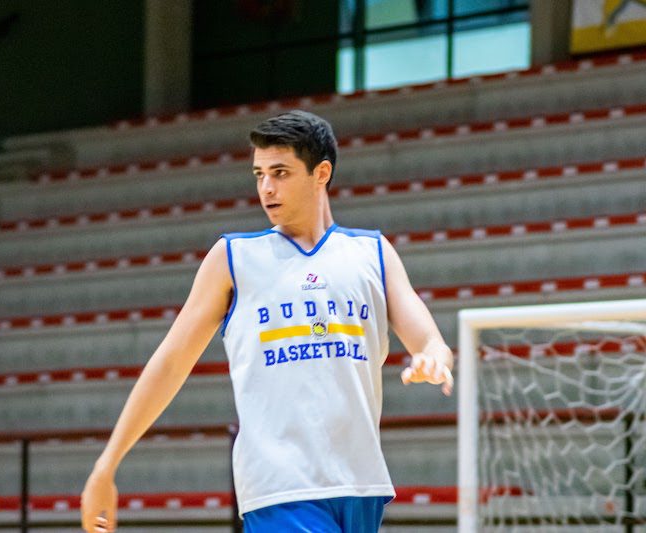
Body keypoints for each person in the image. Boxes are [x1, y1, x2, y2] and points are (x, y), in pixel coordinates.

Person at [81, 110, 453, 533]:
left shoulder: (373, 252)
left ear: (321, 173)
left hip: (361, 485)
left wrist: (433, 359)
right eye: (259, 174)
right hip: (280, 490)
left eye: (280, 173)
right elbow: (170, 362)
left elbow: (430, 341)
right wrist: (106, 465)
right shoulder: (233, 259)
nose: (266, 188)